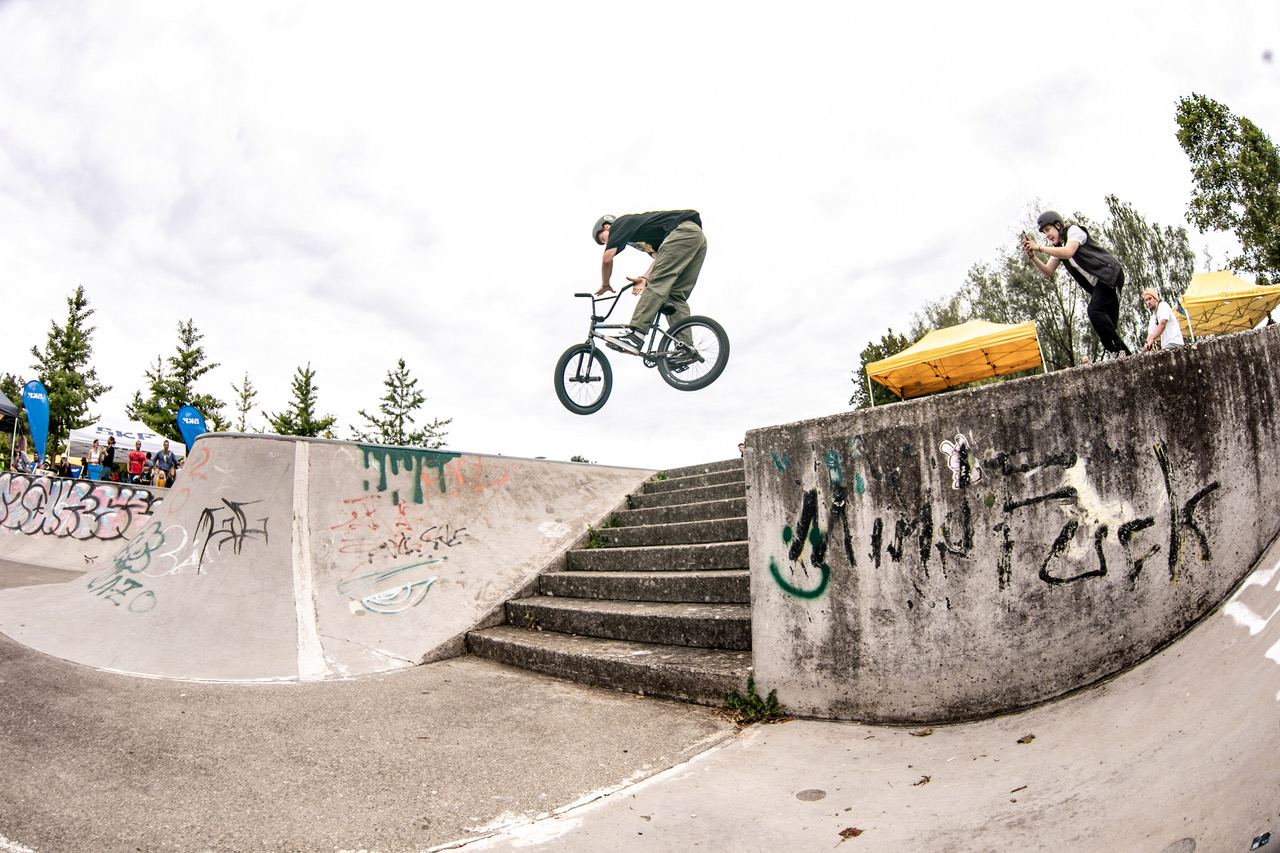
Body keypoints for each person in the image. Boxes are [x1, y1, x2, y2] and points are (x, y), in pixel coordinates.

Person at [592, 210, 707, 353]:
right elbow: (660, 257)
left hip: (682, 232)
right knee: (675, 296)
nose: (606, 243)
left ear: (607, 227)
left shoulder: (619, 225)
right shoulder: (641, 239)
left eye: (603, 239)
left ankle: (636, 336)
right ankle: (686, 348)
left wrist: (605, 284)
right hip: (696, 238)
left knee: (656, 285)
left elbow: (607, 259)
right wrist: (645, 277)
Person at [1023, 211, 1133, 359]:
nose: (1047, 235)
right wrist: (1032, 256)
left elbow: (1068, 252)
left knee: (1095, 310)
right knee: (1107, 324)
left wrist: (1039, 247)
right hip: (1100, 284)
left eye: (1048, 230)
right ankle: (1126, 354)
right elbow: (1047, 272)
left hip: (1109, 273)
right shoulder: (1058, 247)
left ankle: (1117, 350)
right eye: (1044, 233)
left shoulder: (1074, 232)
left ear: (1058, 225)